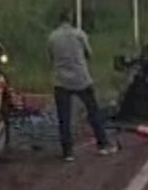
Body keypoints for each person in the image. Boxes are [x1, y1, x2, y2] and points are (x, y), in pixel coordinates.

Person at [47, 10, 116, 162]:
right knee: (93, 111)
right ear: (70, 19)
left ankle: (68, 152)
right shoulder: (79, 34)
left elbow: (51, 58)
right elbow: (89, 54)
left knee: (64, 118)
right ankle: (102, 144)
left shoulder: (52, 37)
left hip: (61, 80)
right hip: (81, 78)